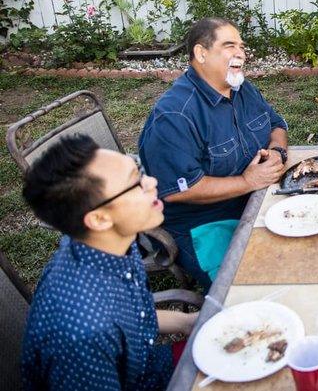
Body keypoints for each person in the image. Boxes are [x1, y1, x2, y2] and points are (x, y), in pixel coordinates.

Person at [19, 134, 198, 390]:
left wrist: (190, 322)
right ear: (99, 219)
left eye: (139, 170)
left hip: (147, 366)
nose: (152, 181)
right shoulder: (82, 334)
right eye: (135, 183)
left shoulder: (104, 243)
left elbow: (135, 313)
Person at [138, 17, 288, 291]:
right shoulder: (174, 115)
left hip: (257, 200)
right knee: (251, 289)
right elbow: (177, 190)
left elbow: (276, 125)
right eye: (229, 45)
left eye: (241, 46)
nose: (241, 53)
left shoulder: (242, 89)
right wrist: (247, 182)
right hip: (205, 224)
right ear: (201, 53)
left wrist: (277, 151)